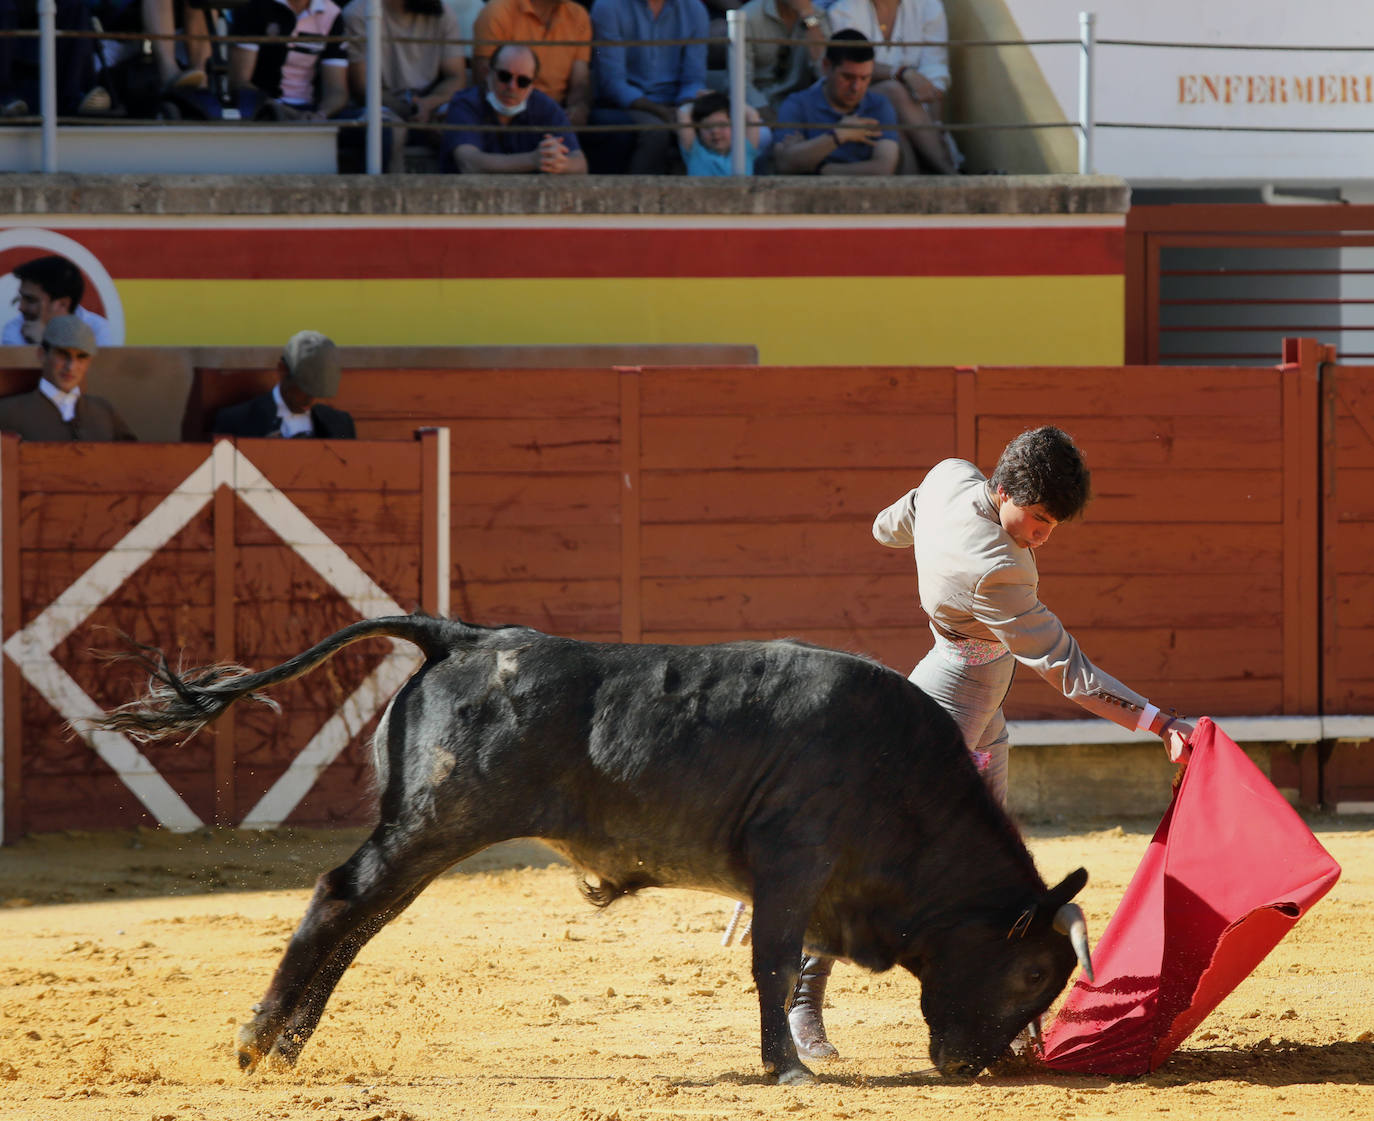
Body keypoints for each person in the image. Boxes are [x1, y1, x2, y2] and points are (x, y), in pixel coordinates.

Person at [785, 426, 1196, 1062]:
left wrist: (908, 534)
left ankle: (1009, 1001)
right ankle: (803, 997)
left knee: (998, 866)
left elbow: (891, 522)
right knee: (870, 847)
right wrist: (1160, 722)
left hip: (975, 695)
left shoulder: (950, 476)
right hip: (956, 699)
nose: (1041, 536)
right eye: (1035, 519)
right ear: (1001, 490)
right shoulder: (997, 570)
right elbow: (1067, 667)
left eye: (1052, 524)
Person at [826, 0, 958, 173]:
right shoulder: (844, 10)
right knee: (893, 91)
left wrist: (936, 124)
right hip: (856, 101)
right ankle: (949, 172)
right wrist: (902, 73)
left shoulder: (928, 6)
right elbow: (851, 64)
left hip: (913, 113)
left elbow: (935, 74)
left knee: (897, 124)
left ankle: (922, 182)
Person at [586, 0, 708, 174]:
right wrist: (661, 111)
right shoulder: (608, 6)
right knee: (656, 131)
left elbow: (694, 79)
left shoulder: (694, 9)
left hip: (676, 103)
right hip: (621, 105)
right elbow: (612, 83)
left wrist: (684, 109)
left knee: (717, 125)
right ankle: (635, 198)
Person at [440, 43, 587, 175]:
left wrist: (561, 163)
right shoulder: (466, 103)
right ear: (488, 74)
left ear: (532, 85)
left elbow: (580, 164)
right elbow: (469, 163)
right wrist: (532, 160)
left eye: (522, 81)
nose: (512, 87)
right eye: (504, 76)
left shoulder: (544, 106)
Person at [772, 29, 898, 176]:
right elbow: (784, 163)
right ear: (826, 66)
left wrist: (819, 169)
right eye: (847, 77)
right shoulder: (797, 104)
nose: (856, 87)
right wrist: (838, 135)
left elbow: (883, 168)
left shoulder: (879, 105)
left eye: (864, 78)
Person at [0, 316, 136, 442]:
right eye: (62, 354)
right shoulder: (7, 413)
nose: (71, 367)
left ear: (89, 362)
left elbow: (134, 461)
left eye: (81, 357)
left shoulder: (104, 412)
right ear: (42, 355)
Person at [210, 330, 356, 438]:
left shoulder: (341, 424)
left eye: (318, 391)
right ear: (282, 370)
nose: (311, 399)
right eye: (305, 388)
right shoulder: (236, 421)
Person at [343, 0, 467, 126]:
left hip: (429, 105)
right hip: (381, 109)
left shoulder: (443, 12)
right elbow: (362, 86)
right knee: (388, 132)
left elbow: (456, 77)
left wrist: (428, 103)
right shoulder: (360, 12)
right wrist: (408, 111)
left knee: (455, 124)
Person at [471, 0, 593, 128]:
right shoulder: (497, 11)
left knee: (608, 125)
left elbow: (580, 82)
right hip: (508, 115)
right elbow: (484, 81)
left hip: (559, 117)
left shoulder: (579, 15)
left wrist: (577, 107)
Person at [228, 0, 350, 121]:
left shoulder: (332, 12)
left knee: (362, 122)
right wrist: (292, 114)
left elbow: (337, 90)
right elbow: (240, 83)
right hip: (264, 109)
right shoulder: (254, 7)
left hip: (310, 110)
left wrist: (320, 115)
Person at [735, 0, 829, 118]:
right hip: (760, 107)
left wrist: (809, 19)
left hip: (804, 106)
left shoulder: (818, 16)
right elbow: (739, 80)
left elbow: (824, 73)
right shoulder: (749, 16)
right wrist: (767, 114)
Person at [2, 255, 114, 348]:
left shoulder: (97, 329)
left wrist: (44, 343)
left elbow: (96, 374)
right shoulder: (15, 328)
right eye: (21, 298)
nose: (21, 307)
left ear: (62, 304)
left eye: (31, 300)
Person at [675, 91, 761, 175]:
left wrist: (720, 98)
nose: (715, 131)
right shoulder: (694, 152)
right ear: (698, 131)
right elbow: (683, 112)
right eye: (706, 126)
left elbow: (752, 114)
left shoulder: (745, 150)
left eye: (722, 125)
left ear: (735, 126)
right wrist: (703, 100)